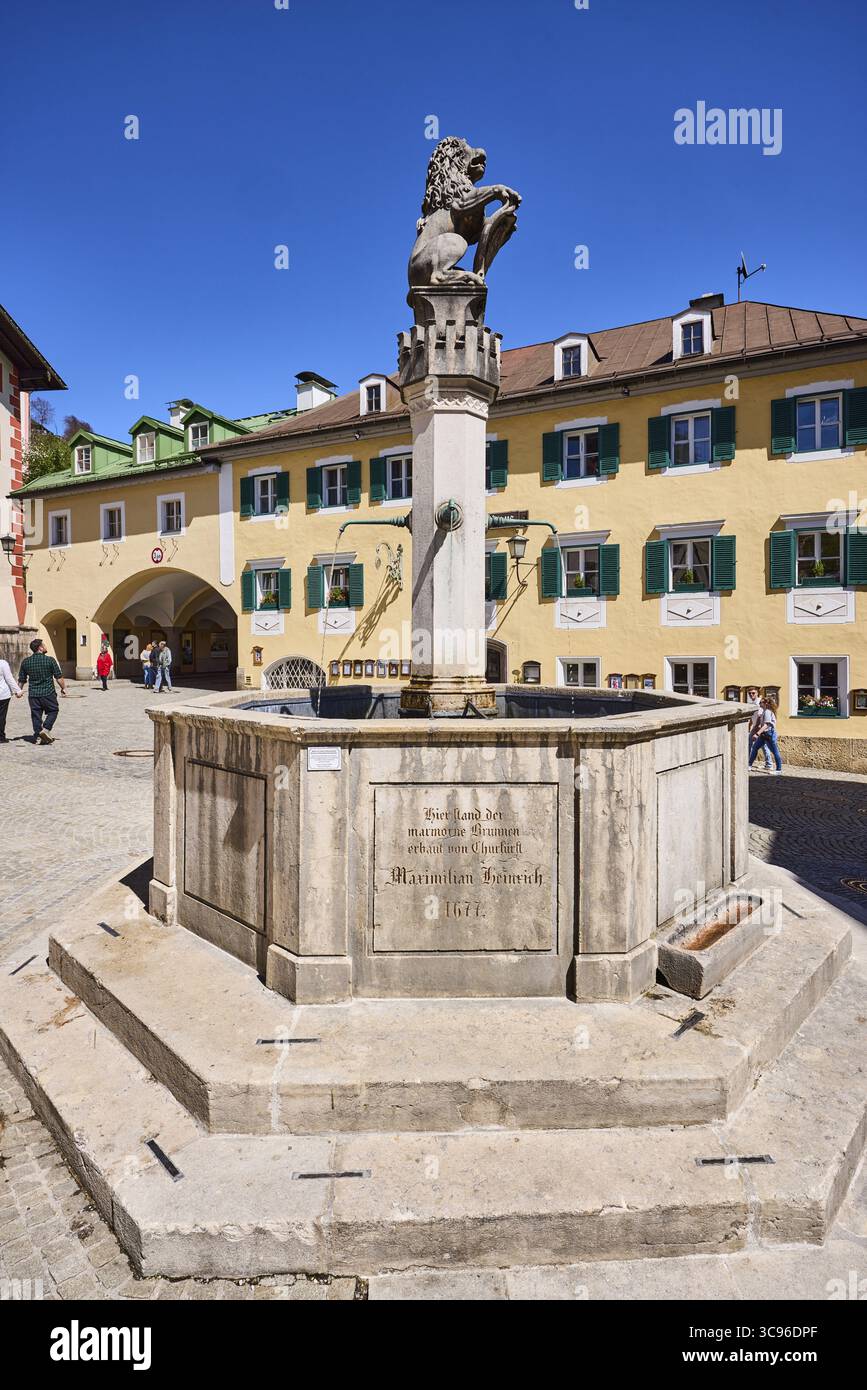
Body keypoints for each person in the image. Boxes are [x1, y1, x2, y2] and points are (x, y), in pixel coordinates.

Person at [18, 637, 66, 744]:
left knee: (36, 715)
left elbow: (22, 679)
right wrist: (63, 688)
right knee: (53, 710)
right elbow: (59, 677)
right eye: (44, 645)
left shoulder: (26, 662)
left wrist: (18, 691)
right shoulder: (50, 660)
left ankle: (38, 736)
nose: (45, 646)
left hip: (33, 694)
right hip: (48, 693)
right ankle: (46, 729)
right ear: (40, 648)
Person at [748, 696, 783, 774]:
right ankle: (749, 765)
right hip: (764, 734)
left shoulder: (767, 711)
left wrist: (757, 734)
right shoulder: (764, 711)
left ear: (766, 703)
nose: (760, 703)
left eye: (761, 702)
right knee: (755, 748)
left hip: (769, 734)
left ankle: (778, 770)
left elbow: (766, 725)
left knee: (775, 751)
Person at [746, 686, 773, 771]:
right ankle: (768, 764)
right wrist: (749, 725)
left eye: (753, 693)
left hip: (759, 728)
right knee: (763, 746)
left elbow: (760, 716)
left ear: (757, 693)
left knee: (750, 744)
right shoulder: (751, 703)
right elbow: (752, 717)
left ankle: (748, 763)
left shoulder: (759, 702)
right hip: (755, 727)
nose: (751, 695)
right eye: (749, 693)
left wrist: (756, 729)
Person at [0, 655, 24, 742]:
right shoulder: (2, 663)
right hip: (2, 695)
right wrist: (18, 691)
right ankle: (1, 737)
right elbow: (9, 678)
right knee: (1, 716)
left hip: (3, 695)